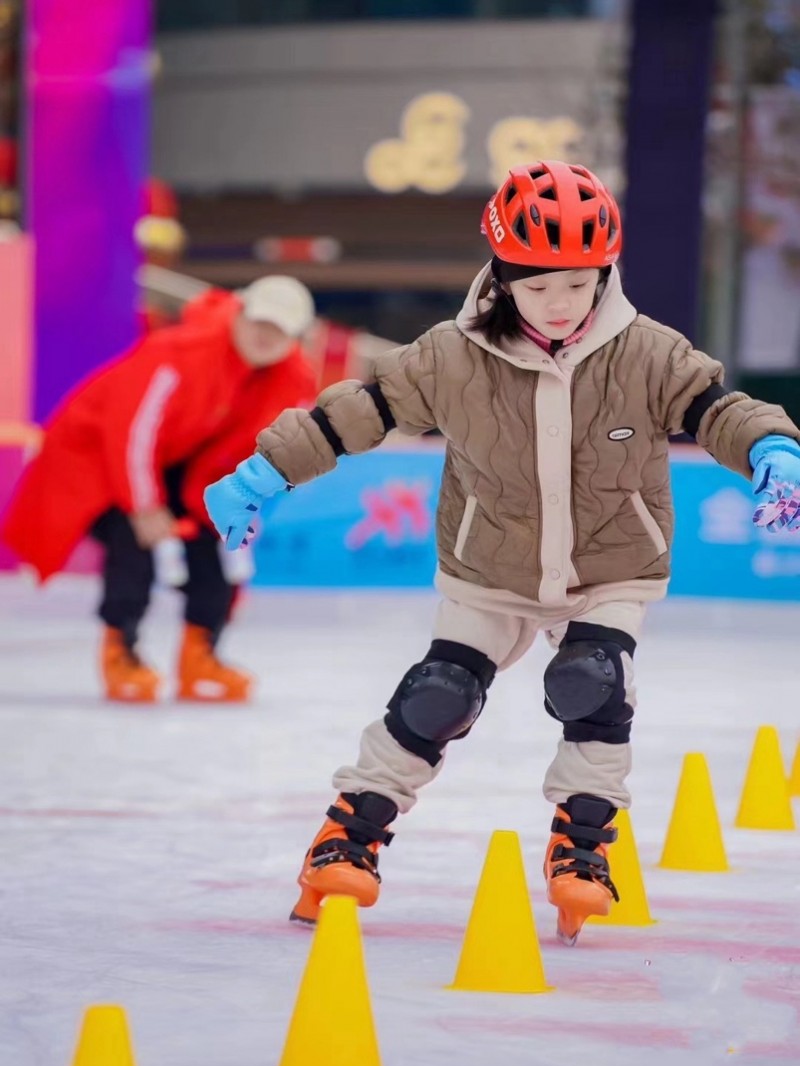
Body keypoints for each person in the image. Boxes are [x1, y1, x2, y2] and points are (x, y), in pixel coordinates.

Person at [204, 161, 800, 944]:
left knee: (595, 684)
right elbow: (364, 408)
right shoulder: (452, 356)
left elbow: (719, 407)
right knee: (438, 694)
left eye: (579, 285)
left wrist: (772, 446)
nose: (561, 305)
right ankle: (347, 835)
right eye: (540, 286)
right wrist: (266, 468)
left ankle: (582, 845)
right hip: (490, 565)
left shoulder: (648, 353)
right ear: (503, 279)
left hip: (610, 566)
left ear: (605, 276)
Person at [2, 276, 317, 704]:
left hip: (179, 466)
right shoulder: (178, 352)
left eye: (279, 329)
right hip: (97, 461)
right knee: (134, 543)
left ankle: (200, 656)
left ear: (295, 339)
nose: (265, 335)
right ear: (239, 314)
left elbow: (264, 450)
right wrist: (144, 507)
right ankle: (121, 653)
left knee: (219, 540)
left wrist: (237, 501)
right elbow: (131, 430)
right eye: (260, 321)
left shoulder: (291, 379)